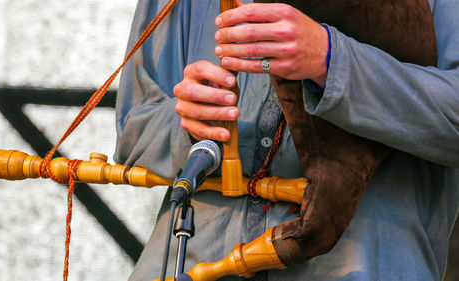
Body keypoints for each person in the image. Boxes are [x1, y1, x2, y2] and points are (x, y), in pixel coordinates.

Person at [114, 0, 459, 280]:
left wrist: (331, 60)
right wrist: (190, 122)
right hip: (185, 260)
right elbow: (133, 130)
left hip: (360, 264)